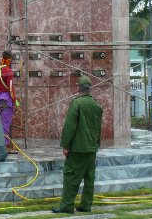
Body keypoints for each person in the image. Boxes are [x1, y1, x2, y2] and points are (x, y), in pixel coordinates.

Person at [52, 76, 103, 214]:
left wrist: (65, 145)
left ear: (78, 89)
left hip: (78, 148)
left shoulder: (77, 103)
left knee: (71, 176)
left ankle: (67, 206)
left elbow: (69, 127)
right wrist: (97, 144)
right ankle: (86, 205)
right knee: (89, 177)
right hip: (92, 147)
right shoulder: (96, 104)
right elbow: (99, 127)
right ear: (90, 89)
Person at [0, 50, 18, 153]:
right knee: (6, 123)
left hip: (0, 98)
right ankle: (5, 145)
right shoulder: (8, 71)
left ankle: (3, 143)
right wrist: (15, 101)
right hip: (7, 99)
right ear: (9, 60)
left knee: (2, 122)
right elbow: (11, 88)